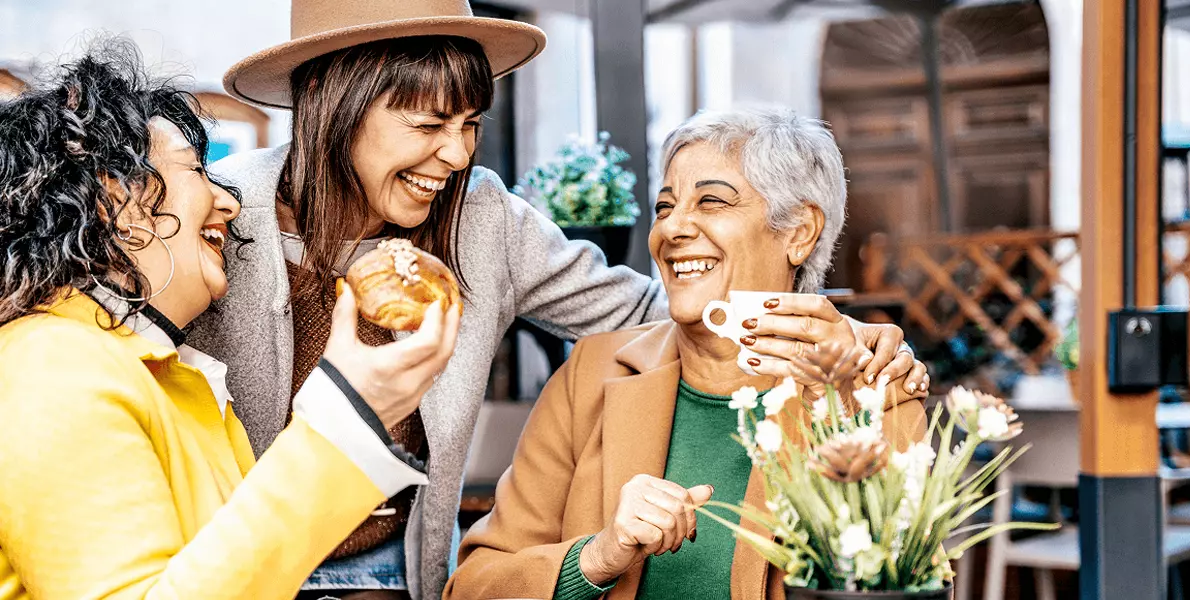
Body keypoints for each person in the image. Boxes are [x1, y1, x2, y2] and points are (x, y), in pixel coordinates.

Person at [199, 2, 929, 597]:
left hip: (390, 570)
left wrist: (843, 338)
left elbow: (664, 311)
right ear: (337, 105)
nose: (456, 155)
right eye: (428, 126)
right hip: (232, 552)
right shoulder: (223, 215)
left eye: (469, 126)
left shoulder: (481, 218)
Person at [0, 46, 458, 600]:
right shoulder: (50, 369)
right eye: (196, 170)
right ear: (115, 199)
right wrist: (349, 416)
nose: (229, 203)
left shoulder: (166, 375)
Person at [444, 107, 930, 600]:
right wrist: (595, 559)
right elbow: (474, 588)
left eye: (712, 202)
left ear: (799, 232)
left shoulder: (874, 389)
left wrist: (836, 406)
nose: (672, 228)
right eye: (664, 206)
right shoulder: (588, 375)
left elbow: (906, 583)